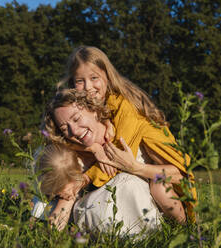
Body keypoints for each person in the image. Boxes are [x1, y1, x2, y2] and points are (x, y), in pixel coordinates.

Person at [55, 46, 197, 221]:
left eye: (94, 78)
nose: (88, 87)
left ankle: (184, 228)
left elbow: (117, 156)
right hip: (139, 170)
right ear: (72, 83)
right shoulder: (94, 108)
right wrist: (94, 149)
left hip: (171, 174)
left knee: (160, 188)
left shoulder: (124, 106)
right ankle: (54, 218)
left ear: (107, 75)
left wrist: (83, 179)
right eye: (80, 81)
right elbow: (62, 137)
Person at [42, 89, 196, 234]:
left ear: (93, 110)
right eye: (64, 128)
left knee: (158, 185)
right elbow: (66, 200)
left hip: (150, 213)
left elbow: (180, 173)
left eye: (76, 118)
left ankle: (185, 231)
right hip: (107, 226)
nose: (74, 131)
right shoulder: (74, 156)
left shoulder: (126, 133)